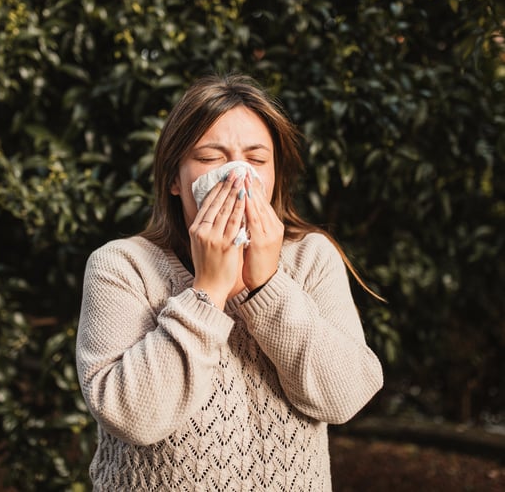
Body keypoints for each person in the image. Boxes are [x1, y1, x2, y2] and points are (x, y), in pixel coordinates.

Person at [76, 73, 384, 491]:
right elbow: (133, 417)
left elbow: (344, 397)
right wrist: (208, 291)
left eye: (255, 160)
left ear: (275, 174)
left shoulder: (312, 257)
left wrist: (265, 286)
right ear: (173, 178)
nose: (237, 175)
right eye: (210, 157)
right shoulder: (121, 266)